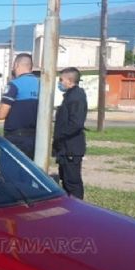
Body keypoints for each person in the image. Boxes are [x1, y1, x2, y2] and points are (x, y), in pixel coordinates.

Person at [0, 53, 39, 159]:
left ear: (16, 65)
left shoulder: (14, 84)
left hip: (16, 139)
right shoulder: (41, 84)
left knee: (10, 167)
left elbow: (1, 115)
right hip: (36, 138)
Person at [52, 67, 87, 199]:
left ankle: (77, 206)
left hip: (71, 147)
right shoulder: (70, 96)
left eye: (61, 80)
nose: (60, 83)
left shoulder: (76, 96)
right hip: (65, 147)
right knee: (66, 180)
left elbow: (76, 124)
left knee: (72, 182)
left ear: (70, 80)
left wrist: (60, 135)